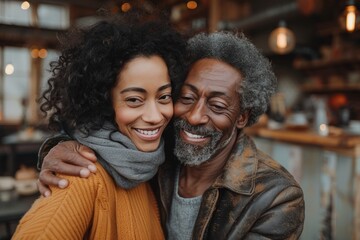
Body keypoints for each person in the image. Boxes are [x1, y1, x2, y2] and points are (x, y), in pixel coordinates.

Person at [36, 31, 305, 239]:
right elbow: (102, 131)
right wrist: (59, 146)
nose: (194, 116)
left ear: (242, 117)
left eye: (218, 106)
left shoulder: (276, 197)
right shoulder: (154, 153)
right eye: (186, 97)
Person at [12, 17, 187, 239]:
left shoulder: (156, 162)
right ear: (105, 102)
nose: (155, 116)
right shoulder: (81, 175)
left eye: (163, 97)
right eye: (134, 100)